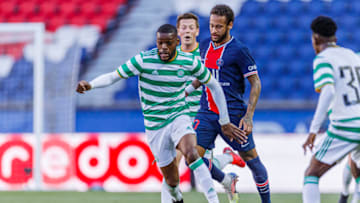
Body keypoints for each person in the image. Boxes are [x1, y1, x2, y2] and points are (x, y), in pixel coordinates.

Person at [76, 24, 247, 203]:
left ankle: (213, 200)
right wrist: (91, 85)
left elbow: (214, 85)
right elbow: (113, 76)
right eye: (160, 43)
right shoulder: (143, 61)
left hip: (179, 115)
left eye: (168, 43)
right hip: (155, 126)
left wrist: (224, 121)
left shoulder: (188, 61)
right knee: (171, 181)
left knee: (191, 153)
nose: (163, 47)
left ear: (176, 42)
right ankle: (178, 197)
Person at [186, 4, 270, 203]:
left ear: (230, 25)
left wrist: (248, 116)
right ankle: (226, 178)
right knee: (192, 157)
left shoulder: (239, 50)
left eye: (219, 27)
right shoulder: (204, 46)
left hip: (233, 115)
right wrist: (186, 92)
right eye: (211, 26)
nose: (214, 31)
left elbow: (255, 82)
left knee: (252, 160)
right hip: (206, 113)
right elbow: (202, 77)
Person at [302, 16, 360, 203]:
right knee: (358, 171)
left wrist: (313, 130)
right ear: (334, 37)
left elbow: (327, 91)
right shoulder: (352, 55)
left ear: (315, 38)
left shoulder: (323, 59)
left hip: (346, 126)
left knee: (312, 173)